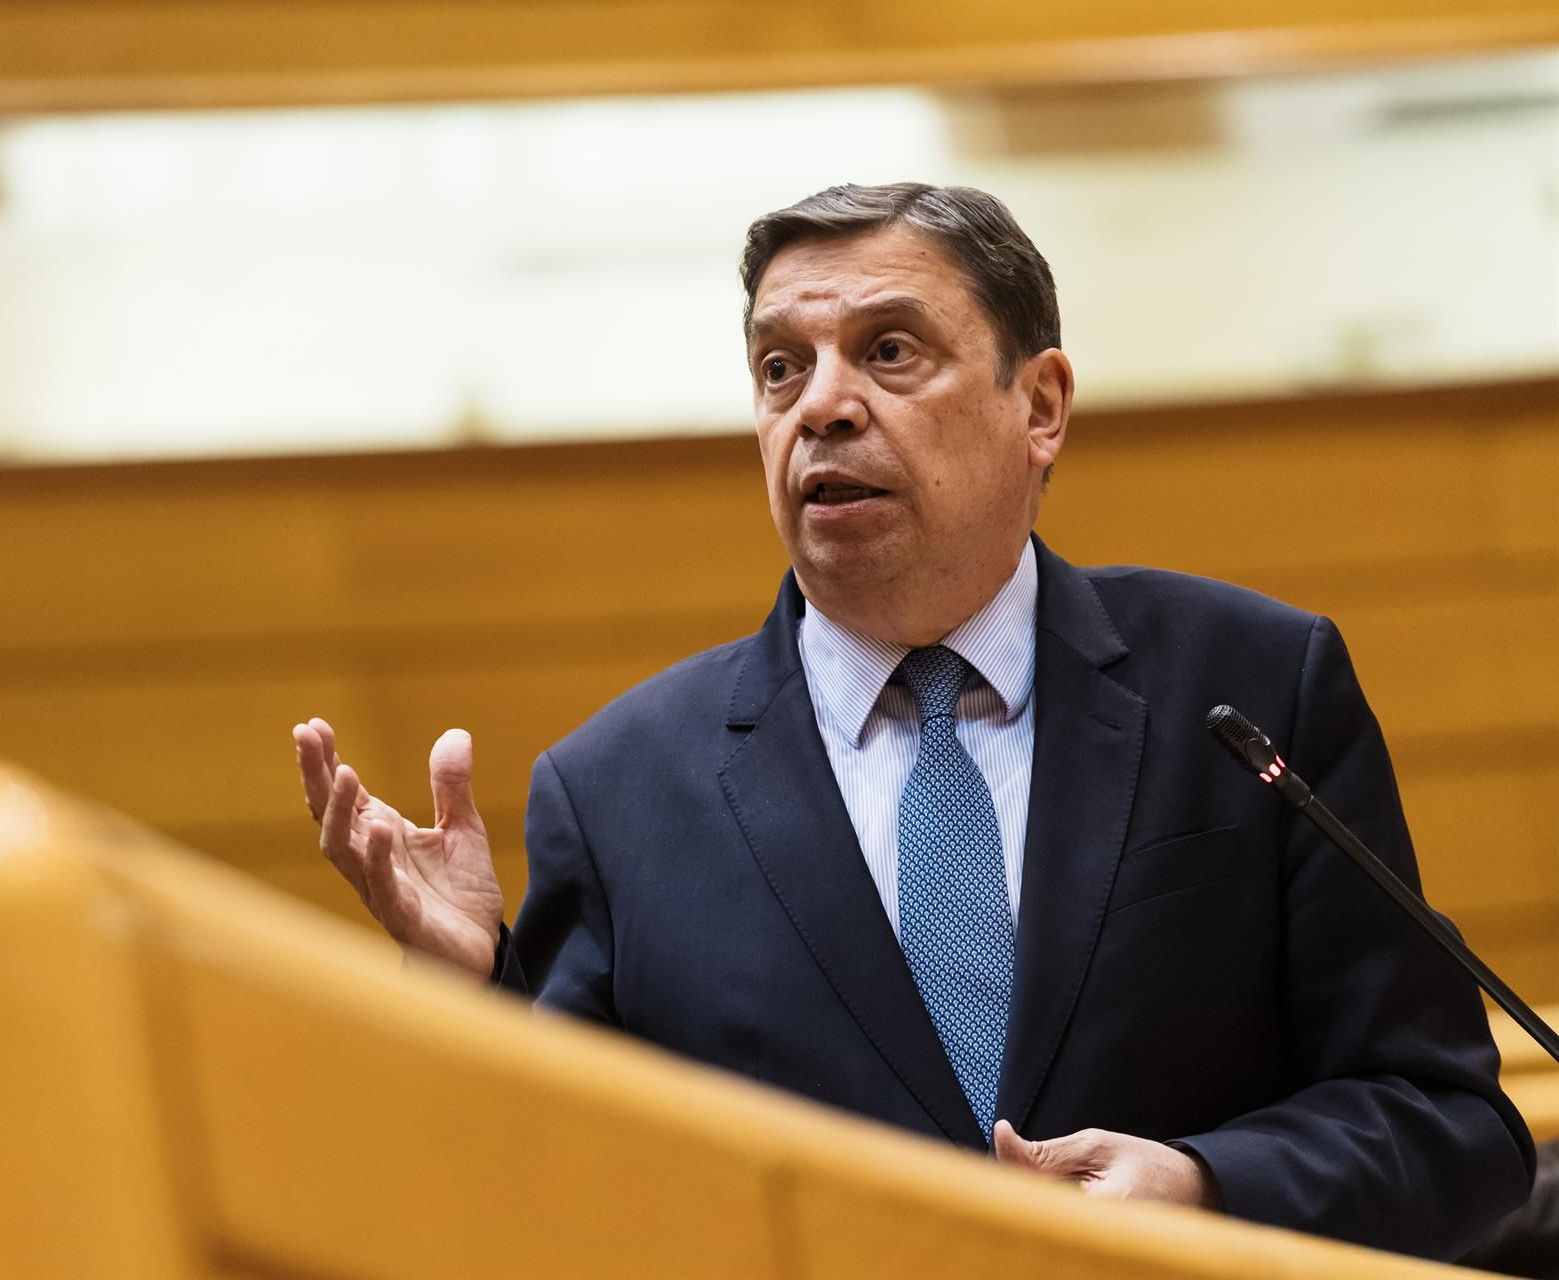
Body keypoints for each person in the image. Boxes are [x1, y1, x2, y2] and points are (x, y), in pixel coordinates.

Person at [292, 182, 1533, 1259]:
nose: (821, 406)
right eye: (782, 366)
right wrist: (461, 999)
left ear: (1039, 404)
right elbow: (547, 1208)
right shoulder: (618, 793)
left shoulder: (1255, 685)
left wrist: (1208, 1183)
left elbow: (1450, 1126)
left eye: (889, 351)